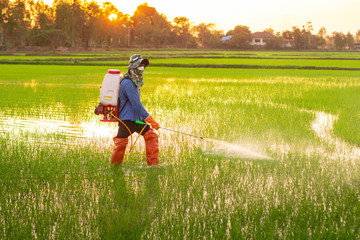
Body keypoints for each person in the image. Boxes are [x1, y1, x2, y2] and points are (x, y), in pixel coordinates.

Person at [111, 54, 160, 166]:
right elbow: (136, 105)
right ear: (133, 67)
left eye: (143, 65)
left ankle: (153, 166)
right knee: (120, 143)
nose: (142, 68)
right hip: (127, 120)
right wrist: (151, 120)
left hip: (136, 120)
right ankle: (115, 166)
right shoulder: (128, 83)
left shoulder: (134, 81)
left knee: (151, 136)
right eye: (140, 65)